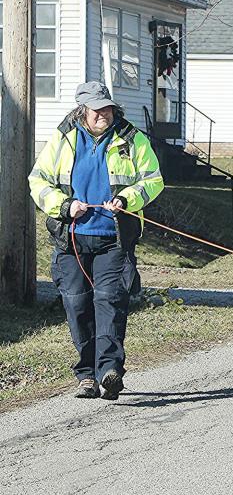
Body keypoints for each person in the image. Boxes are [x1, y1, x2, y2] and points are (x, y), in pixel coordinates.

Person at [29, 82, 164, 401]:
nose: (104, 114)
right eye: (97, 109)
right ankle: (86, 375)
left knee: (110, 302)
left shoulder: (133, 140)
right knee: (76, 304)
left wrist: (126, 199)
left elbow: (153, 180)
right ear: (83, 111)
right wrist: (64, 206)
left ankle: (109, 371)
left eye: (107, 108)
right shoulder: (63, 138)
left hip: (114, 239)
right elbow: (39, 181)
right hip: (71, 239)